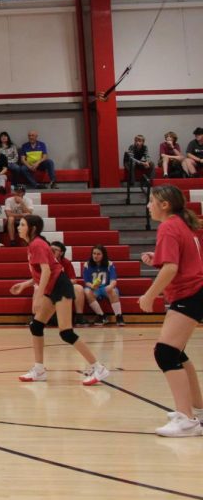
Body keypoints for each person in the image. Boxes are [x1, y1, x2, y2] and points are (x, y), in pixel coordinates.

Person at [11, 214, 110, 386]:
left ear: (32, 228)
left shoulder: (37, 244)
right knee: (36, 325)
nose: (19, 227)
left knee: (66, 332)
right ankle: (39, 369)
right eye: (19, 225)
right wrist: (25, 285)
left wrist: (39, 296)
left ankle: (98, 367)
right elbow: (42, 273)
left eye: (23, 225)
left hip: (60, 286)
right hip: (52, 286)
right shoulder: (33, 245)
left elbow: (48, 272)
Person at [137, 185, 203, 436]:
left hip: (189, 293)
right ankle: (197, 410)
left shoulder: (168, 226)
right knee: (177, 354)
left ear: (164, 204)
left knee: (165, 353)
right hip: (196, 291)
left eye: (151, 201)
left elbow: (171, 268)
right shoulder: (182, 224)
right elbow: (178, 260)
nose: (148, 205)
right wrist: (157, 257)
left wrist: (149, 295)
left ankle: (186, 419)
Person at [82, 245, 124, 327]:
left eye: (98, 254)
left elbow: (113, 280)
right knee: (86, 291)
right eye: (94, 253)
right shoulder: (87, 264)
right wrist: (92, 286)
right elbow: (86, 281)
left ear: (103, 255)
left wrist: (110, 286)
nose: (95, 256)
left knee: (112, 290)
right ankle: (102, 316)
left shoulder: (109, 264)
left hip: (106, 288)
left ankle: (119, 316)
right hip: (95, 289)